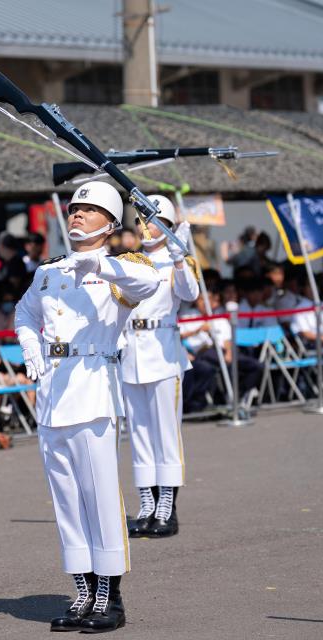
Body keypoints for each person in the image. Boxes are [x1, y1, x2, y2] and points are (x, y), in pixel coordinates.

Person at [15, 182, 159, 633]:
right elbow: (24, 312)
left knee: (99, 497)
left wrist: (99, 262)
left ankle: (109, 598)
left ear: (111, 224)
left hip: (94, 390)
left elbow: (149, 282)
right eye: (76, 208)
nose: (78, 215)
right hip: (53, 393)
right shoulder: (49, 271)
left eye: (90, 210)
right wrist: (27, 345)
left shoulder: (122, 268)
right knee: (67, 500)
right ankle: (81, 591)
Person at [119, 195, 198, 539]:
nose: (144, 227)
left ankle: (168, 505)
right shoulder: (128, 261)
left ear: (165, 223)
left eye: (150, 220)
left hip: (164, 352)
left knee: (166, 433)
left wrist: (180, 261)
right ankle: (147, 504)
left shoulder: (176, 260)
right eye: (140, 221)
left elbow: (190, 294)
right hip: (132, 353)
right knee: (139, 435)